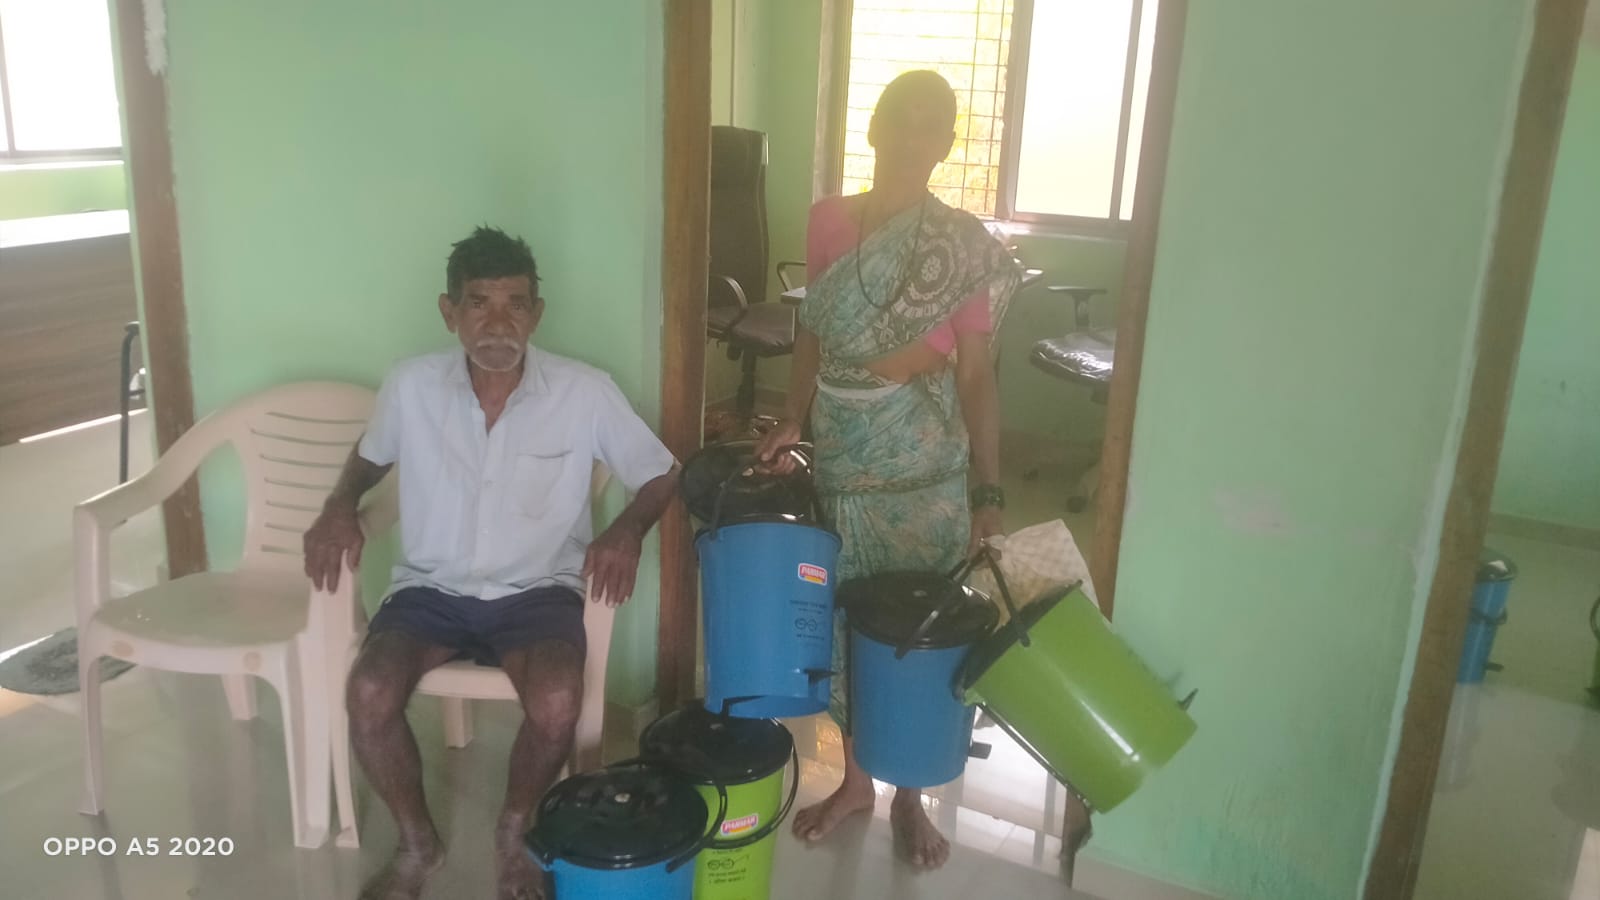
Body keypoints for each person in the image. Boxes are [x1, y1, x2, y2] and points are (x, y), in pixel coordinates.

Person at [303, 226, 678, 900]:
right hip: (431, 590)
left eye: (515, 304)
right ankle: (417, 844)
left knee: (558, 697)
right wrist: (339, 504)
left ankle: (513, 831)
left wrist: (627, 530)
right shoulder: (411, 385)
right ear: (449, 312)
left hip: (537, 592)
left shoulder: (583, 392)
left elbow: (660, 472)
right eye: (479, 304)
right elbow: (371, 456)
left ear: (537, 313)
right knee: (369, 691)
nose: (499, 323)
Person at [755, 70, 1044, 871]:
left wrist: (988, 490)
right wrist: (792, 415)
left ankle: (909, 794)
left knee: (920, 631)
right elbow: (814, 332)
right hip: (845, 460)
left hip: (927, 468)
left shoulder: (960, 244)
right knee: (852, 621)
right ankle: (856, 783)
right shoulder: (829, 220)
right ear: (875, 128)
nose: (915, 137)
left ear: (946, 144)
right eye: (903, 120)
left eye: (932, 125)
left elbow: (976, 375)